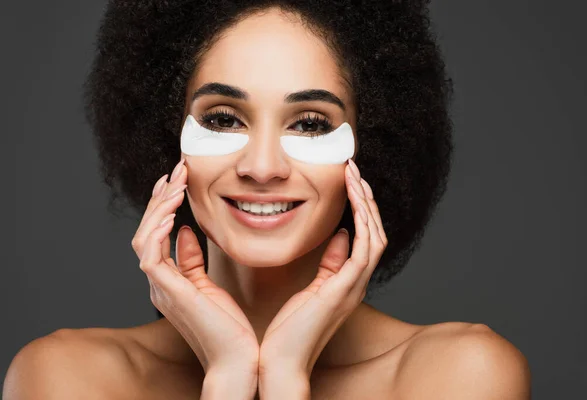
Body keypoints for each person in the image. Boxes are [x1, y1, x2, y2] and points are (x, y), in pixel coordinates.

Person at [4, 1, 531, 399]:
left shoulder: (460, 376)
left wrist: (283, 377)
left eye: (308, 124)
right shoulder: (64, 379)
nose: (262, 167)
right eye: (222, 119)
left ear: (372, 147)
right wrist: (230, 376)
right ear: (169, 140)